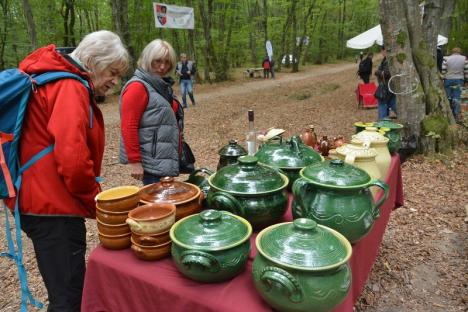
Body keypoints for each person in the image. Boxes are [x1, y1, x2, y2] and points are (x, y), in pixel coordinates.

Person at [5, 30, 129, 311]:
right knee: (69, 296)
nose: (115, 81)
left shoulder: (52, 77)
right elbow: (72, 159)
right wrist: (96, 202)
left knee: (64, 288)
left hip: (40, 204)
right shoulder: (69, 86)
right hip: (54, 209)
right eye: (113, 72)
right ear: (95, 61)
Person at [120, 39, 183, 185]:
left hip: (164, 159)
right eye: (157, 61)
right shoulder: (137, 87)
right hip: (151, 164)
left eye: (167, 62)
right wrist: (134, 161)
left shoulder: (160, 85)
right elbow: (128, 126)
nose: (163, 67)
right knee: (158, 206)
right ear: (148, 60)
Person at [441, 47, 468, 121]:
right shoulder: (464, 58)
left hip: (448, 79)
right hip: (459, 79)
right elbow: (466, 70)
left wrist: (443, 78)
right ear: (460, 52)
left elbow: (443, 70)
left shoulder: (446, 58)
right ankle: (456, 115)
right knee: (457, 97)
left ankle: (448, 113)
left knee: (448, 97)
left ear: (452, 52)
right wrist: (466, 80)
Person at [375, 47, 397, 119]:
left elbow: (387, 73)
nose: (381, 52)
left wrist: (377, 72)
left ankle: (382, 122)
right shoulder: (386, 59)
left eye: (382, 50)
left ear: (384, 50)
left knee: (383, 104)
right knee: (392, 104)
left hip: (386, 87)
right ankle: (384, 121)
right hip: (388, 87)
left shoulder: (389, 60)